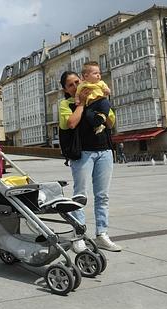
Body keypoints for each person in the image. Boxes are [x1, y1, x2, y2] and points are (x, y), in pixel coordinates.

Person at [59, 70, 122, 252]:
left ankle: (102, 234)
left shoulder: (99, 100)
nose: (75, 86)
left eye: (77, 81)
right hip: (83, 154)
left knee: (102, 196)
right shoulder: (66, 104)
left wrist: (98, 103)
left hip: (104, 151)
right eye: (70, 84)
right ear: (65, 89)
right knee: (80, 195)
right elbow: (70, 123)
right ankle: (78, 235)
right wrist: (81, 104)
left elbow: (110, 123)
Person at [75, 61, 111, 135]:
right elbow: (77, 94)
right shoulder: (82, 85)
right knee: (88, 114)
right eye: (95, 73)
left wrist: (107, 91)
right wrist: (77, 100)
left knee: (106, 104)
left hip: (100, 100)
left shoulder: (101, 83)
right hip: (91, 104)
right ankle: (98, 125)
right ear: (86, 76)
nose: (98, 75)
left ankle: (103, 116)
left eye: (99, 73)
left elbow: (107, 90)